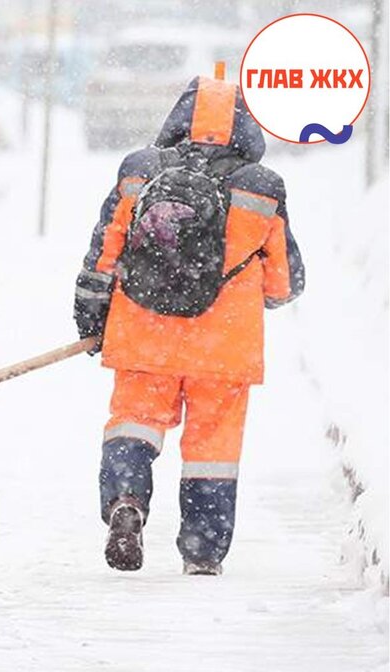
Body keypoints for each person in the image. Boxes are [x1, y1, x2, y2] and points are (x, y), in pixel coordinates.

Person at [73, 76, 306, 575]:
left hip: (143, 335)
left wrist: (91, 318)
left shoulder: (138, 171)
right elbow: (284, 285)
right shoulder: (261, 187)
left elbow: (103, 256)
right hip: (224, 348)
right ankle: (202, 553)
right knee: (211, 450)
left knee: (133, 424)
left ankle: (126, 502)